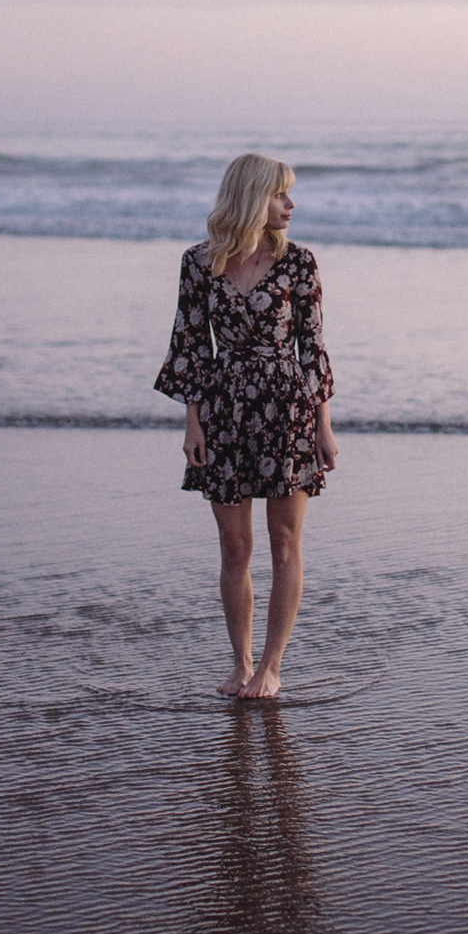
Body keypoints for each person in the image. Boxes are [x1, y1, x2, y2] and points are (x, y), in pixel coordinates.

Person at [154, 152, 340, 701]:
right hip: (223, 409)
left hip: (288, 409)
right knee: (234, 548)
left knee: (285, 542)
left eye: (290, 194)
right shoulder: (199, 262)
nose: (291, 204)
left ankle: (272, 667)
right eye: (281, 194)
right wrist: (193, 424)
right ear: (252, 197)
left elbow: (314, 349)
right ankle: (240, 663)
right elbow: (188, 346)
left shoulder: (300, 263)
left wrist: (323, 428)